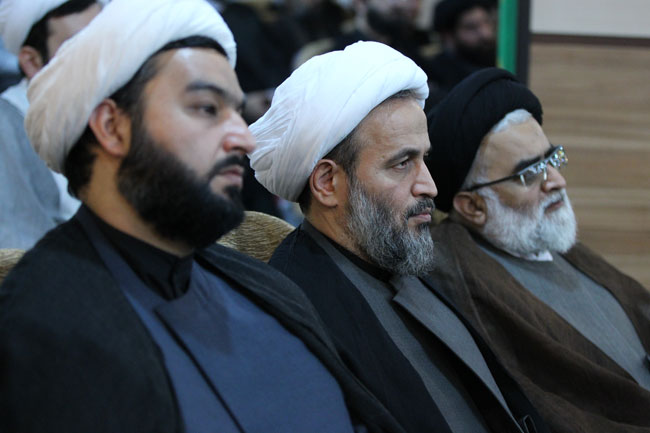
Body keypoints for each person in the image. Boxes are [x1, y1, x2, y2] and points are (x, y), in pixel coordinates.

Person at [0, 1, 406, 432]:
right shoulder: (42, 325)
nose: (243, 138)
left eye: (236, 111)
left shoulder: (260, 282)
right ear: (112, 127)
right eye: (207, 108)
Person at [250, 41, 548, 433]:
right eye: (402, 163)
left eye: (424, 159)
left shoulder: (396, 254)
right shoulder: (293, 313)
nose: (429, 186)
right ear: (327, 183)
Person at [426, 67, 650, 433]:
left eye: (552, 159)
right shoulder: (458, 278)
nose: (557, 181)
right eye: (531, 173)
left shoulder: (554, 244)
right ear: (473, 207)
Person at [0, 0, 102, 248]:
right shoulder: (7, 125)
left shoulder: (120, 105)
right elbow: (20, 248)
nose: (101, 60)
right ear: (32, 62)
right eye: (79, 49)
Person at [426, 0, 496, 106]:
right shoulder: (433, 76)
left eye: (487, 22)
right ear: (448, 37)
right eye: (471, 27)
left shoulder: (497, 61)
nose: (486, 34)